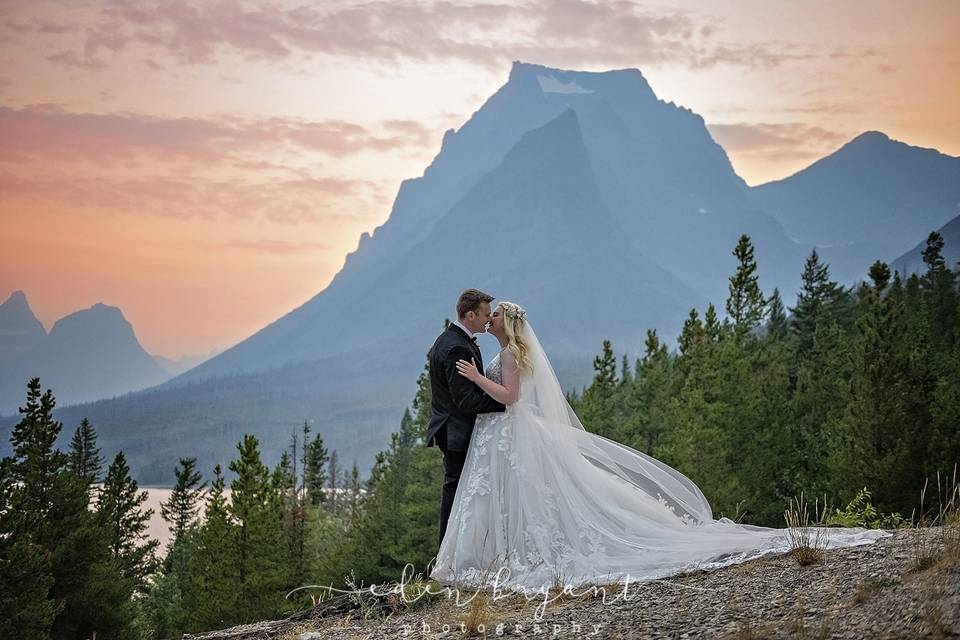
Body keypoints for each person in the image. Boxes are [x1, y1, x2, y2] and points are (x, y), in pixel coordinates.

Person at [429, 301, 889, 592]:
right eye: (485, 315)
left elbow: (510, 397)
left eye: (493, 316)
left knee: (532, 495)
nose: (487, 319)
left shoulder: (508, 354)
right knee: (518, 495)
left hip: (513, 431)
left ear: (504, 324)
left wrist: (476, 381)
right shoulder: (505, 351)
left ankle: (509, 556)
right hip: (507, 435)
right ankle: (495, 554)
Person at [426, 289, 506, 550]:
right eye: (484, 314)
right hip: (457, 431)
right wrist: (504, 404)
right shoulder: (456, 347)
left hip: (454, 429)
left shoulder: (451, 339)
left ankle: (455, 554)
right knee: (456, 491)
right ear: (470, 315)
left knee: (461, 491)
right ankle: (447, 555)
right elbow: (465, 400)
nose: (488, 319)